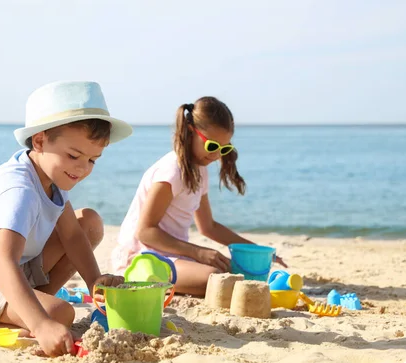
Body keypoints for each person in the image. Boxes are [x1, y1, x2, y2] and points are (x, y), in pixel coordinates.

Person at [0, 81, 131, 356]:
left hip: (11, 271)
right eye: (74, 155)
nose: (83, 168)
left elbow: (73, 236)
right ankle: (7, 317)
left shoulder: (52, 179)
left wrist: (94, 281)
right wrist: (41, 326)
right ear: (39, 141)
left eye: (92, 160)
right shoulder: (19, 190)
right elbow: (3, 263)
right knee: (59, 314)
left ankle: (24, 308)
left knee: (87, 223)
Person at [111, 96, 287, 296]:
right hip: (141, 258)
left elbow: (208, 226)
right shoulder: (171, 172)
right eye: (212, 146)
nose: (216, 155)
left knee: (229, 272)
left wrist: (258, 251)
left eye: (224, 148)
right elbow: (145, 232)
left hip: (172, 255)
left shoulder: (199, 171)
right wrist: (198, 252)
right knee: (215, 278)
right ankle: (143, 279)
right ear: (189, 131)